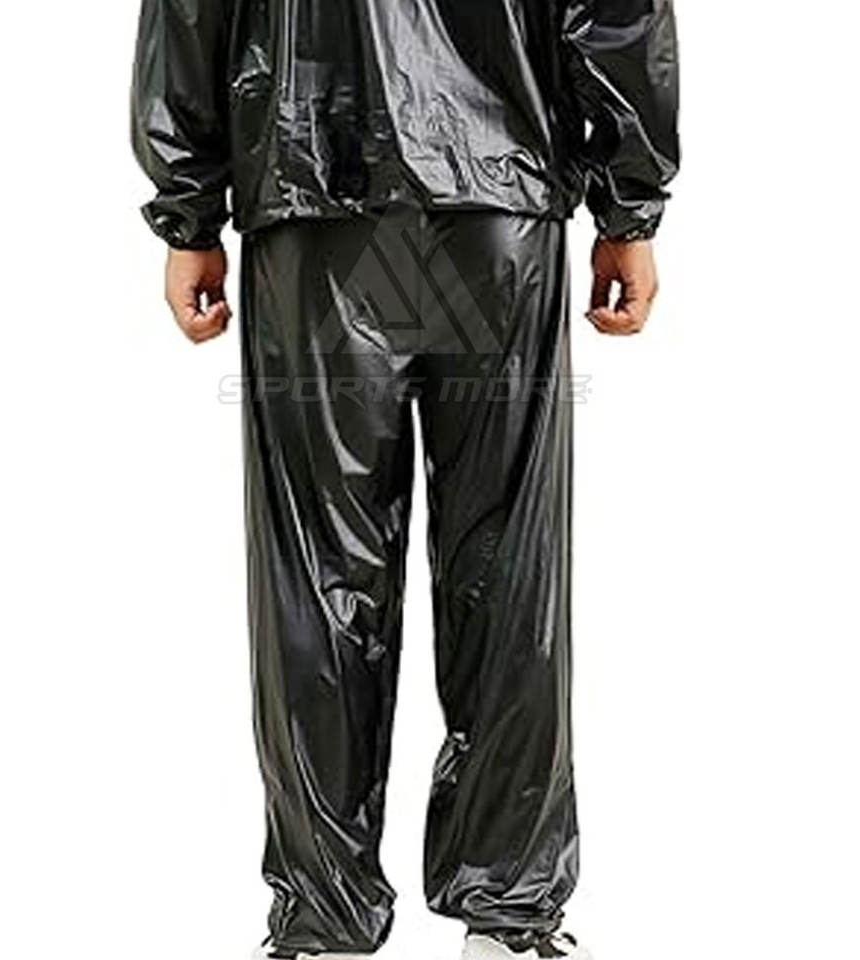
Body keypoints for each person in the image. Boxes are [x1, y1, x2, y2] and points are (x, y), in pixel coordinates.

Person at [131, 0, 679, 957]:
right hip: (496, 196)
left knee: (318, 568)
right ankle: (507, 910)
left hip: (313, 190)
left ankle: (323, 918)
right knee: (506, 560)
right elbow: (615, 11)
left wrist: (189, 213)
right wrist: (627, 205)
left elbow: (189, 12)